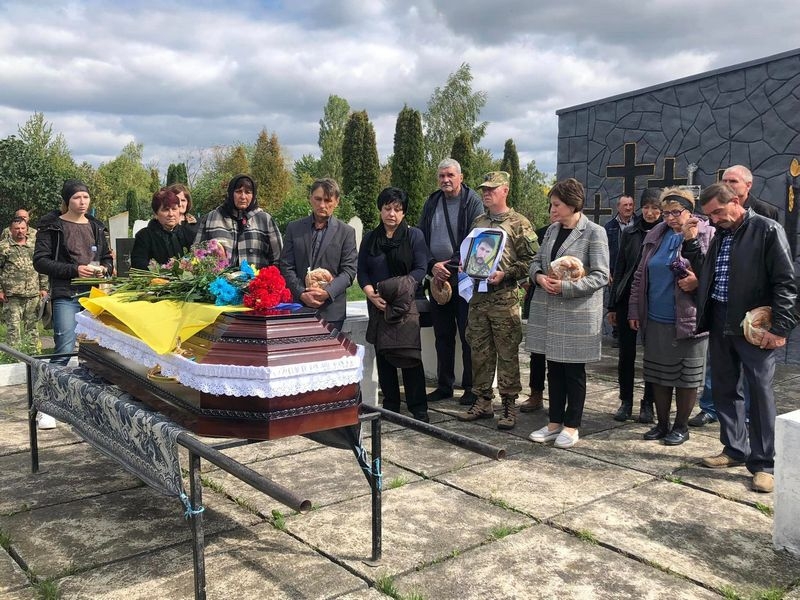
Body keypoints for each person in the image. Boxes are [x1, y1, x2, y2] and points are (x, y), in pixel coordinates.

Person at [690, 182, 796, 493]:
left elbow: (785, 282)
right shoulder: (721, 234)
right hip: (720, 318)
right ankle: (734, 448)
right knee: (725, 388)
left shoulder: (767, 230)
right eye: (709, 215)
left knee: (759, 392)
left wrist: (780, 328)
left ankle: (764, 464)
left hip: (754, 324)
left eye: (718, 212)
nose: (714, 219)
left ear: (736, 200)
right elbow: (712, 276)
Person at [527, 178, 608, 448]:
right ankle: (553, 423)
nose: (552, 209)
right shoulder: (552, 230)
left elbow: (601, 276)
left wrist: (565, 287)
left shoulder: (594, 232)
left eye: (557, 205)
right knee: (554, 369)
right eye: (552, 204)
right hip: (550, 312)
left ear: (573, 205)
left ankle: (572, 426)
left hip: (576, 314)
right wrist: (539, 277)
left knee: (573, 372)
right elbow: (536, 262)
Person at [627, 188, 713, 445]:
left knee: (686, 377)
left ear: (690, 210)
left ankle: (681, 426)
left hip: (688, 320)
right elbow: (640, 276)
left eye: (676, 212)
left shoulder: (707, 233)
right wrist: (634, 309)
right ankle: (662, 424)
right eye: (666, 213)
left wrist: (698, 282)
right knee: (658, 375)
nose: (671, 218)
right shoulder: (656, 234)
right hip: (656, 318)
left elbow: (715, 274)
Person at [458, 171, 537, 431]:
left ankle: (509, 404)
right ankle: (483, 401)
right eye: (484, 189)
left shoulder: (519, 224)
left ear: (505, 190)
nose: (486, 193)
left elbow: (531, 261)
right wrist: (466, 264)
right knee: (479, 351)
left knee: (507, 353)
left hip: (504, 298)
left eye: (492, 189)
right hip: (479, 298)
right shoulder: (479, 221)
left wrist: (507, 274)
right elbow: (472, 253)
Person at [33, 179, 113, 429]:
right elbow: (40, 261)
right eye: (77, 197)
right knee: (64, 349)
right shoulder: (52, 226)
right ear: (67, 200)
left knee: (95, 350)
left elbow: (108, 259)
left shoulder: (96, 226)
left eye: (85, 197)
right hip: (65, 294)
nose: (82, 202)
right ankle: (45, 405)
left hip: (93, 296)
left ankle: (88, 404)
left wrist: (104, 269)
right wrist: (74, 269)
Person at [358, 187, 430, 422]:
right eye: (387, 208)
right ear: (380, 210)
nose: (392, 214)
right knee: (385, 356)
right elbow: (362, 271)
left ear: (404, 212)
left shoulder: (414, 236)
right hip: (378, 304)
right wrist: (371, 294)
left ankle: (418, 407)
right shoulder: (371, 238)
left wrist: (401, 289)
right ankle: (391, 405)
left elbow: (421, 268)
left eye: (397, 209)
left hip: (405, 305)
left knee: (409, 355)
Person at [418, 158, 483, 405]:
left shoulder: (472, 201)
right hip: (437, 279)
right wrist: (432, 265)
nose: (445, 180)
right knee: (442, 335)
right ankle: (444, 386)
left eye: (450, 175)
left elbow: (474, 239)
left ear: (460, 177)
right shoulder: (432, 201)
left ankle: (470, 387)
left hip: (464, 279)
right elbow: (421, 237)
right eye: (442, 176)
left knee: (468, 335)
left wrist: (449, 266)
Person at [607, 188, 662, 423]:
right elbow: (620, 269)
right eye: (646, 207)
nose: (650, 212)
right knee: (626, 354)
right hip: (627, 299)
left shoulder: (666, 233)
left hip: (654, 300)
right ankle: (626, 401)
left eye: (655, 208)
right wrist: (612, 305)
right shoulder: (630, 232)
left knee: (652, 355)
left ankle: (648, 403)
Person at [280, 178, 357, 332]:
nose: (322, 205)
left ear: (337, 202)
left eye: (327, 200)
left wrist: (327, 292)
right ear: (310, 198)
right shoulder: (294, 228)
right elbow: (286, 265)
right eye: (318, 199)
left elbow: (349, 271)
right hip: (298, 307)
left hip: (332, 311)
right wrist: (301, 293)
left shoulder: (346, 232)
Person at [194, 174, 282, 269]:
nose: (243, 196)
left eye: (248, 192)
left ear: (253, 195)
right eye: (238, 191)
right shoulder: (211, 218)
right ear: (231, 193)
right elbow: (196, 253)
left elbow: (279, 258)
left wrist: (268, 277)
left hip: (256, 278)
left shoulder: (265, 220)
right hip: (218, 278)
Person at [519, 216, 555, 413]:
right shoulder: (542, 234)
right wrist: (530, 279)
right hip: (539, 295)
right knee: (537, 352)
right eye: (553, 209)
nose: (556, 213)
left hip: (563, 298)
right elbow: (530, 260)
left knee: (559, 355)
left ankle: (559, 399)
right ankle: (535, 394)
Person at [0, 217, 48, 349]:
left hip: (33, 294)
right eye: (16, 228)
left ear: (27, 229)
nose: (20, 231)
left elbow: (42, 267)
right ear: (10, 230)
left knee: (32, 328)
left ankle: (33, 354)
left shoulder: (35, 245)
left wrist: (44, 288)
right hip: (12, 295)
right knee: (13, 328)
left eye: (22, 228)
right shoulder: (3, 246)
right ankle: (13, 356)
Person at [130, 188, 195, 270]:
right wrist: (163, 271)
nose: (171, 214)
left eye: (174, 209)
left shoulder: (188, 234)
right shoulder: (144, 236)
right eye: (166, 210)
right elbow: (138, 263)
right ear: (156, 214)